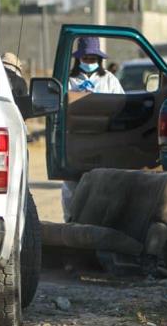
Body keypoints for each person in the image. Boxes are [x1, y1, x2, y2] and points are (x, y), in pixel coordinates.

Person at [62, 37, 124, 221]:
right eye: (86, 58)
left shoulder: (110, 80)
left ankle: (102, 222)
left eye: (93, 58)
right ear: (78, 58)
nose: (89, 62)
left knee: (104, 183)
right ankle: (71, 221)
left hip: (102, 140)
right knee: (72, 184)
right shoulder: (69, 80)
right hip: (75, 140)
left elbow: (121, 104)